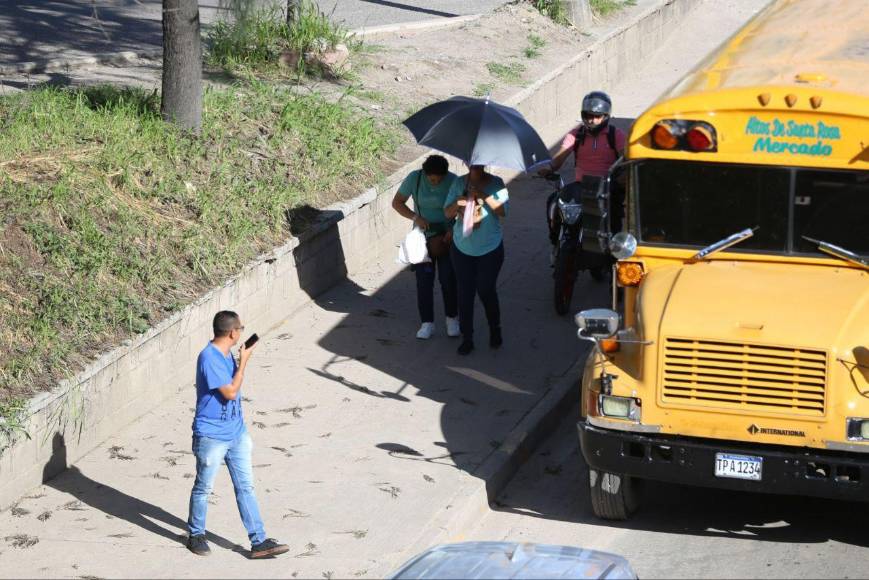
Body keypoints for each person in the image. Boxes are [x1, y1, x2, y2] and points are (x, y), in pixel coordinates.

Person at [187, 311, 288, 559]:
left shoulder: (227, 354)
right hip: (212, 436)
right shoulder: (209, 357)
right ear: (232, 332)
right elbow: (230, 392)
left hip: (236, 433)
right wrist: (244, 361)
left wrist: (238, 359)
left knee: (246, 486)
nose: (242, 332)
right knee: (204, 487)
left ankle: (259, 541)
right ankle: (196, 534)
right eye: (240, 328)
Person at [543, 91, 627, 253]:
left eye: (597, 116)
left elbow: (627, 157)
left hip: (607, 186)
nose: (592, 120)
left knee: (614, 217)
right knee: (554, 202)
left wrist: (624, 174)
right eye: (588, 115)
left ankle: (613, 254)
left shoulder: (615, 135)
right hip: (582, 185)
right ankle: (556, 241)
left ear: (606, 116)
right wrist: (548, 168)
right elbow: (559, 157)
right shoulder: (577, 134)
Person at [392, 155, 460, 340]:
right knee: (424, 282)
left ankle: (452, 319)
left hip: (446, 238)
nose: (436, 182)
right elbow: (397, 202)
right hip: (422, 240)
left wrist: (453, 230)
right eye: (432, 179)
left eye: (440, 179)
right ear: (425, 173)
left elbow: (462, 208)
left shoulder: (454, 181)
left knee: (448, 280)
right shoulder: (415, 178)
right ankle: (427, 323)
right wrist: (416, 218)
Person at [444, 165, 509, 355]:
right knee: (465, 293)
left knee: (486, 289)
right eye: (472, 164)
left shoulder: (496, 184)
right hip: (462, 247)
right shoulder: (458, 183)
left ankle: (495, 328)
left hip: (490, 248)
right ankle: (467, 338)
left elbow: (503, 211)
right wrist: (459, 201)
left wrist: (482, 195)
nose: (475, 167)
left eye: (479, 164)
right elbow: (447, 213)